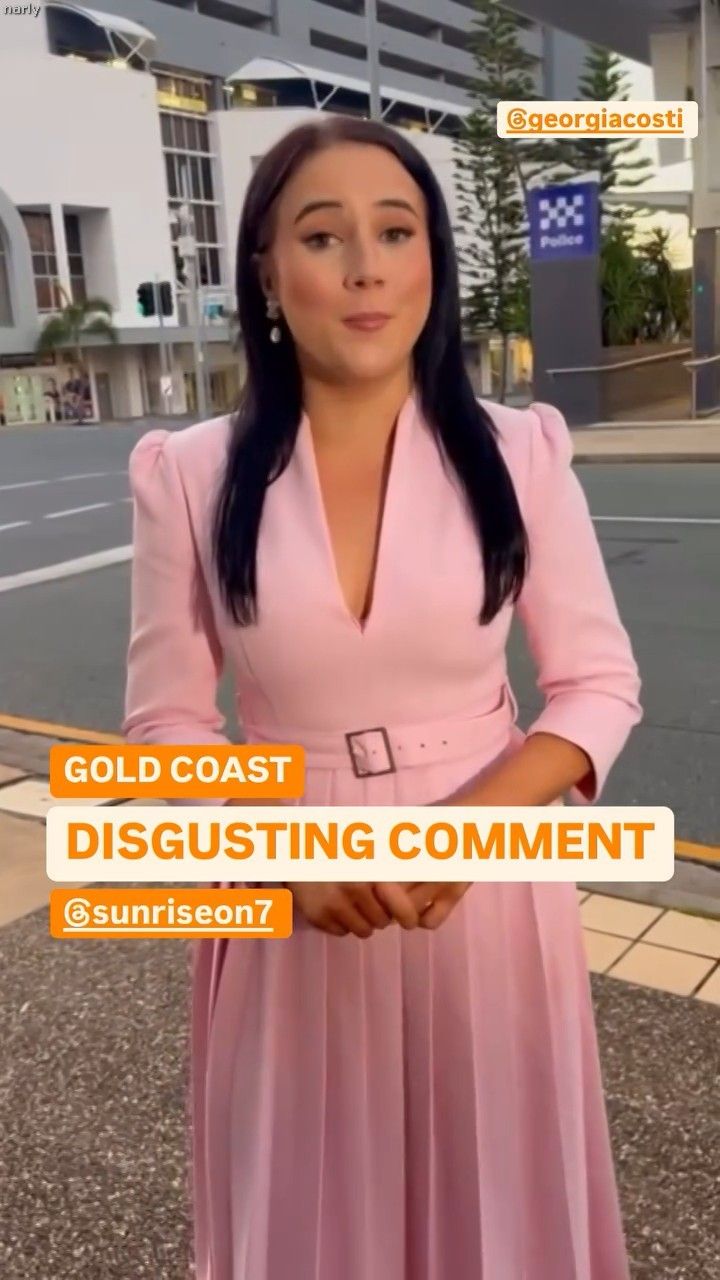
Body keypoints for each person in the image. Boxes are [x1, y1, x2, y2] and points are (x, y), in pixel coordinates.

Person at [122, 116, 642, 1280]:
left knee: (500, 1208)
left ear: (432, 262)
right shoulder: (188, 474)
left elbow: (597, 683)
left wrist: (470, 829)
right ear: (267, 272)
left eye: (396, 232)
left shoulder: (522, 450)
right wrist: (279, 856)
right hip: (291, 899)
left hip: (490, 893)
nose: (366, 266)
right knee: (309, 1219)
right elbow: (165, 724)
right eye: (323, 236)